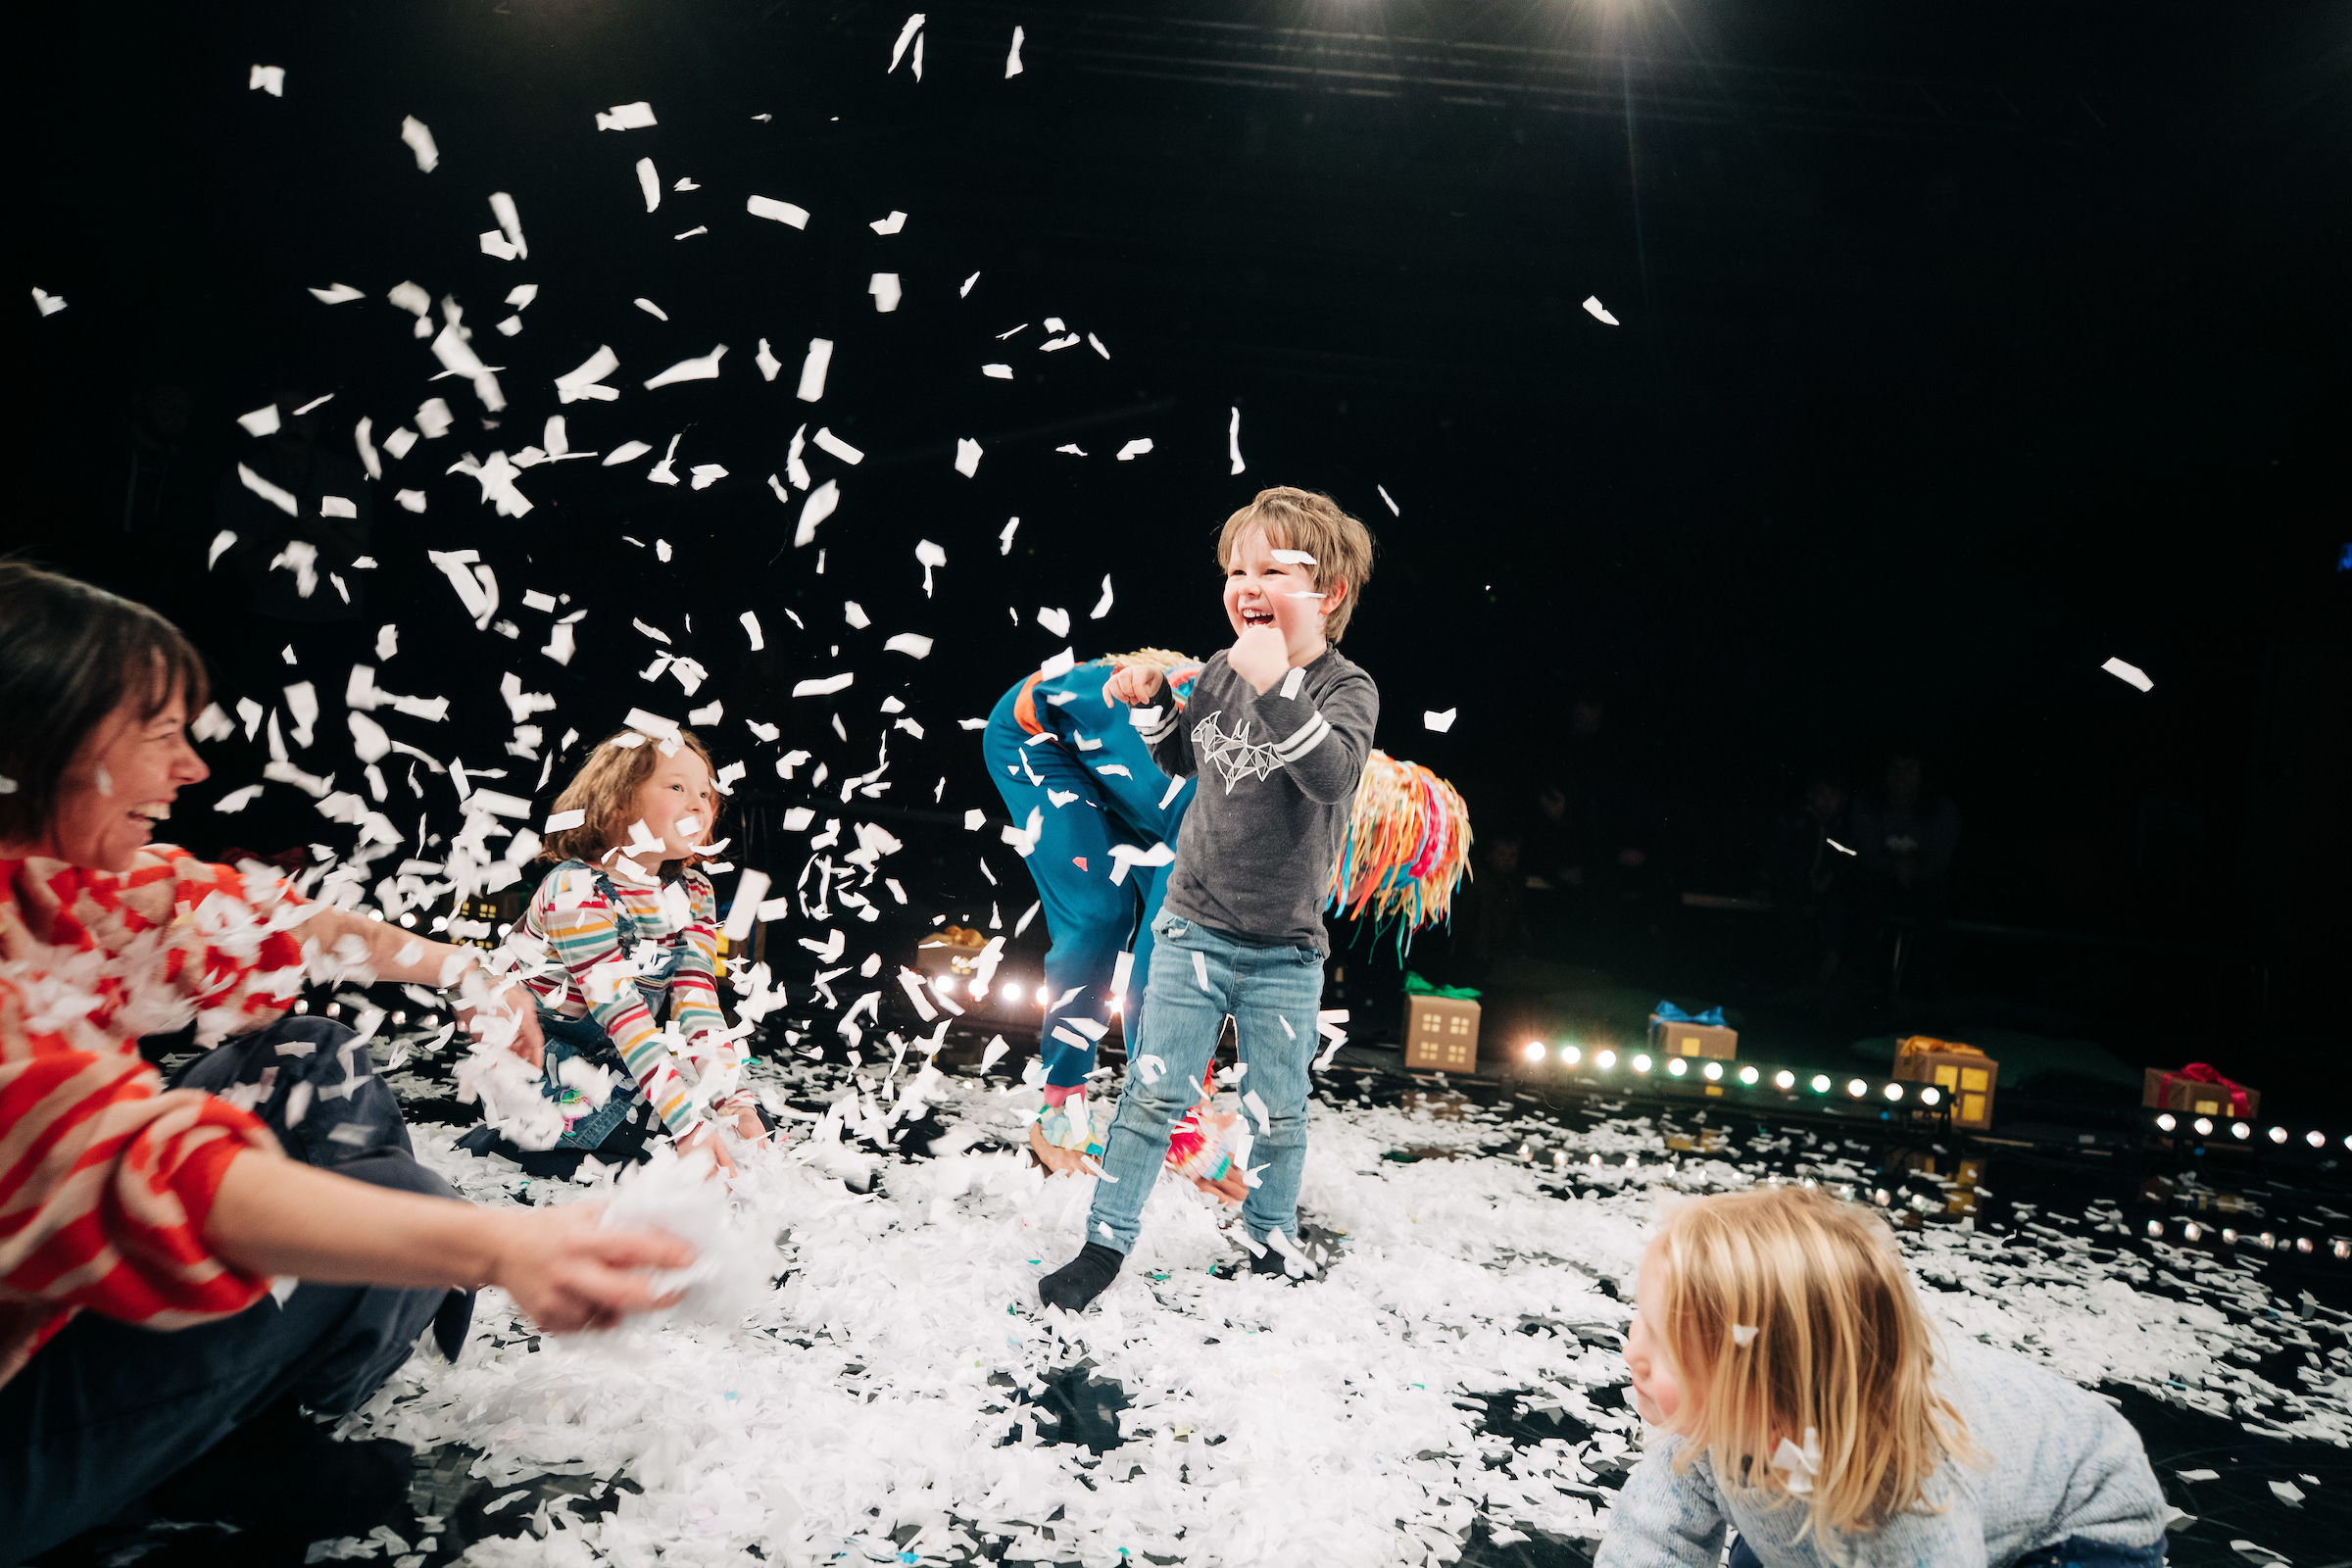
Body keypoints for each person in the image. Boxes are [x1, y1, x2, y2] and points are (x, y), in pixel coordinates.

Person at [0, 563, 696, 1561]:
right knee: (407, 1199)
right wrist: (496, 1246)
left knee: (307, 1052)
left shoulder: (57, 879)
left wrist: (461, 969)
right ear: (39, 736)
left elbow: (261, 921)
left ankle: (251, 1416)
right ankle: (200, 1446)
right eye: (158, 735)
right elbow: (142, 1178)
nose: (190, 769)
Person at [1039, 486, 1380, 1310]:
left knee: (1278, 1109)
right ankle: (1104, 1243)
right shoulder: (1224, 671)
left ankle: (1270, 1241)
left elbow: (1332, 775)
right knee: (1155, 1089)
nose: (1246, 584)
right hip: (1193, 926)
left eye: (1271, 569)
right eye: (1236, 569)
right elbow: (1183, 761)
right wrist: (1155, 705)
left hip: (1287, 950)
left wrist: (1279, 688)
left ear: (1327, 594)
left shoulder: (1347, 688)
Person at [1600, 1184, 2168, 1567]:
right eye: (1640, 1322)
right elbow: (1651, 1537)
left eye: (1664, 1340)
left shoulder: (1908, 1494)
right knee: (1781, 1540)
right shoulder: (1706, 1437)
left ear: (1769, 1384)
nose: (1634, 1353)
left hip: (2078, 1516)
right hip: (1816, 1478)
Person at [464, 725, 767, 1180]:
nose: (698, 804)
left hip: (610, 1058)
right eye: (677, 787)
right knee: (641, 1148)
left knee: (736, 1129)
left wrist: (734, 1104)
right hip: (531, 1055)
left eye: (705, 793)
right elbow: (621, 1013)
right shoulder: (575, 888)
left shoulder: (697, 893)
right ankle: (505, 1136)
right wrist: (686, 1128)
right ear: (619, 800)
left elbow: (698, 1003)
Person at [1845, 744, 1960, 997]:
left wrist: (1913, 871)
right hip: (1878, 883)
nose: (1901, 776)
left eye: (1909, 769)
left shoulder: (1941, 809)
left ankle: (1923, 992)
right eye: (1895, 768)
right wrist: (1895, 867)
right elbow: (1865, 852)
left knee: (1935, 902)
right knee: (1863, 893)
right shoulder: (1869, 802)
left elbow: (1940, 861)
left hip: (1923, 885)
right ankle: (1861, 985)